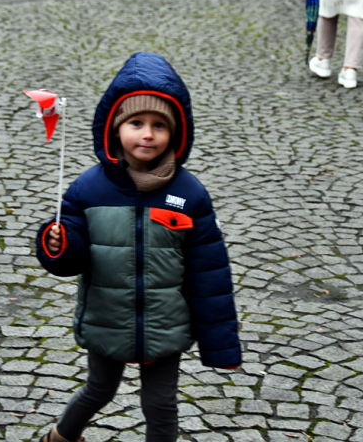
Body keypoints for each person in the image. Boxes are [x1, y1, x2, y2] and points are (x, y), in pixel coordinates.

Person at [35, 52, 242, 442]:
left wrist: (222, 347)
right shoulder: (87, 189)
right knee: (100, 389)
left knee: (160, 404)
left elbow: (209, 272)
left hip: (166, 324)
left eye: (159, 125)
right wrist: (57, 244)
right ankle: (61, 437)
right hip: (107, 317)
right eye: (136, 123)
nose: (147, 134)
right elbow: (70, 259)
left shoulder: (189, 194)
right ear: (115, 129)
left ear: (175, 134)